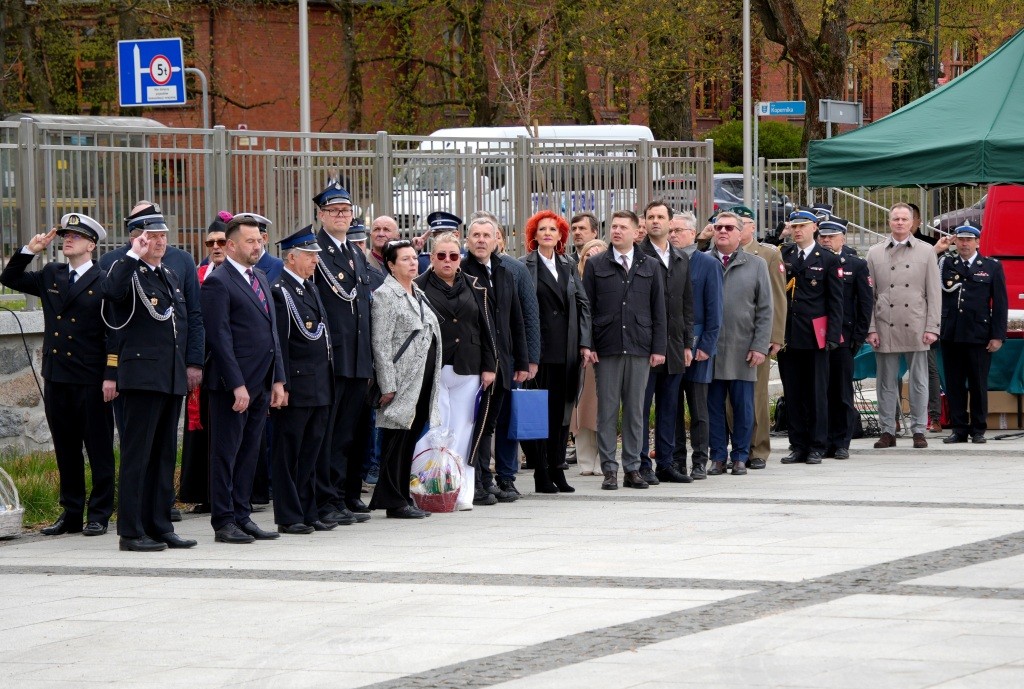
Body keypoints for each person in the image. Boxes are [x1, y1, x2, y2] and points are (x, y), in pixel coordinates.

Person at [1, 214, 114, 537]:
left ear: (91, 245)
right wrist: (29, 250)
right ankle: (72, 512)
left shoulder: (105, 281)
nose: (68, 240)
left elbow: (114, 333)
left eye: (76, 236)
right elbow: (9, 277)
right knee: (66, 448)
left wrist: (112, 374)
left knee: (99, 448)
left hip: (91, 378)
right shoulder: (52, 273)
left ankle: (100, 513)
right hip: (58, 375)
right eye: (65, 235)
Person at [100, 201, 205, 524]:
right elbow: (112, 292)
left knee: (163, 455)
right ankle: (132, 529)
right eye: (152, 236)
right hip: (142, 376)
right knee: (138, 456)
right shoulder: (126, 270)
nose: (159, 242)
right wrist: (134, 255)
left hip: (169, 376)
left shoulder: (169, 274)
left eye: (162, 236)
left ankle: (159, 524)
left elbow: (187, 320)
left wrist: (189, 364)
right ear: (137, 238)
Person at [200, 213, 287, 544]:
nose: (257, 246)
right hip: (232, 386)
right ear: (232, 245)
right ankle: (223, 520)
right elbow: (219, 338)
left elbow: (272, 332)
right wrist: (237, 384)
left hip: (261, 381)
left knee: (250, 452)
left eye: (259, 240)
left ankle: (242, 514)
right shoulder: (218, 282)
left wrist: (277, 379)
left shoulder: (260, 277)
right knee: (226, 454)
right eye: (250, 241)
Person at [582, 210, 667, 490]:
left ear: (635, 232)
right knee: (607, 410)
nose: (616, 231)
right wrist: (589, 344)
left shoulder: (650, 265)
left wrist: (658, 348)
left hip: (640, 346)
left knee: (635, 411)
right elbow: (587, 308)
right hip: (606, 347)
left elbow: (659, 309)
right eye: (614, 226)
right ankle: (609, 469)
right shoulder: (596, 264)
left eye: (622, 227)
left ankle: (632, 468)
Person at [414, 231, 497, 510]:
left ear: (460, 258)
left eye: (453, 255)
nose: (447, 260)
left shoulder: (475, 286)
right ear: (432, 257)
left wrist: (490, 366)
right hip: (434, 367)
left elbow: (487, 329)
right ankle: (431, 487)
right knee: (436, 429)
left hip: (469, 366)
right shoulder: (418, 286)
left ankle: (461, 492)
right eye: (441, 255)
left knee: (464, 431)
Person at [313, 182, 374, 525]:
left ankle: (340, 496)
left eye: (346, 210)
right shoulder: (315, 251)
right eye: (333, 210)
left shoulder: (355, 252)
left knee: (348, 434)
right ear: (321, 215)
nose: (340, 215)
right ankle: (325, 500)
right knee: (328, 434)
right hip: (332, 358)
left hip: (357, 357)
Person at [519, 211, 593, 493]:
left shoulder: (568, 264)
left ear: (561, 235)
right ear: (534, 235)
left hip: (567, 349)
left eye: (553, 229)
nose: (548, 233)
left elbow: (583, 305)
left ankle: (557, 469)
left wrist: (584, 343)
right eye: (542, 229)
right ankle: (541, 472)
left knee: (563, 414)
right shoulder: (524, 265)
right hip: (539, 352)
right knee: (539, 413)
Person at [268, 227, 335, 534]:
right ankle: (288, 515)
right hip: (297, 385)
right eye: (310, 255)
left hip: (319, 384)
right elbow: (279, 343)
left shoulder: (309, 288)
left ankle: (308, 511)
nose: (315, 261)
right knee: (288, 454)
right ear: (291, 258)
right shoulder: (280, 291)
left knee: (310, 453)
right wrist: (281, 383)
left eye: (316, 255)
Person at [370, 240, 443, 518]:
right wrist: (387, 385)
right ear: (391, 265)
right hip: (401, 380)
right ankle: (393, 500)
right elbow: (380, 343)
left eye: (414, 258)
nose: (413, 263)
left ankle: (401, 495)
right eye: (405, 259)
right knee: (395, 439)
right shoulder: (385, 295)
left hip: (422, 377)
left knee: (409, 437)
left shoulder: (417, 291)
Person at [460, 217, 530, 505]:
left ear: (496, 240)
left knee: (491, 424)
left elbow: (516, 320)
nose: (480, 240)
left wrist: (522, 361)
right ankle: (477, 483)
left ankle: (489, 480)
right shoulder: (463, 271)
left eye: (486, 235)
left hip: (503, 362)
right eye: (475, 235)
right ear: (467, 240)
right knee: (475, 425)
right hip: (477, 364)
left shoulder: (503, 271)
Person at [866, 202, 941, 449]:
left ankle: (919, 429)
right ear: (889, 222)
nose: (899, 223)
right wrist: (871, 328)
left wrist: (933, 327)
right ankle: (887, 430)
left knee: (919, 381)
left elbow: (934, 293)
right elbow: (869, 295)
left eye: (904, 219)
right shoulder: (874, 252)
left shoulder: (926, 251)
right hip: (885, 323)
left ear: (913, 223)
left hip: (916, 324)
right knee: (885, 382)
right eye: (895, 219)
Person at [706, 211, 772, 476]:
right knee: (713, 407)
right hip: (710, 349)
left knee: (744, 407)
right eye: (718, 227)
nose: (723, 231)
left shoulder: (756, 264)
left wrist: (759, 345)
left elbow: (765, 308)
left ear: (740, 232)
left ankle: (741, 456)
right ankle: (717, 456)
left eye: (729, 228)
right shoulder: (702, 261)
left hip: (743, 347)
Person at [777, 210, 843, 466]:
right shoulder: (784, 255)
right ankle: (798, 445)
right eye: (794, 226)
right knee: (793, 393)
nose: (797, 231)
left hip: (815, 336)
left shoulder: (827, 259)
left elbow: (835, 301)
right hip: (789, 336)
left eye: (802, 226)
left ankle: (817, 445)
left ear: (814, 227)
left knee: (816, 394)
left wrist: (833, 335)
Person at [638, 200, 694, 485]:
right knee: (640, 408)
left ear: (670, 222)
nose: (655, 221)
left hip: (673, 345)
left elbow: (686, 304)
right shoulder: (637, 255)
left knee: (669, 408)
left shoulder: (681, 257)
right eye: (651, 217)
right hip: (645, 345)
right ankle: (641, 464)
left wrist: (687, 344)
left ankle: (666, 463)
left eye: (660, 216)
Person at [179, 216, 230, 512]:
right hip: (202, 360)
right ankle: (202, 493)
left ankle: (228, 495)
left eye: (221, 241)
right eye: (210, 242)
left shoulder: (241, 274)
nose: (215, 247)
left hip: (229, 363)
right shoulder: (197, 273)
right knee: (201, 430)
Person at [939, 225, 1007, 444]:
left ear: (978, 242)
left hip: (979, 334)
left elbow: (1000, 304)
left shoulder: (991, 266)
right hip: (951, 333)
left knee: (978, 383)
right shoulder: (946, 263)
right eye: (960, 240)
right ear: (955, 242)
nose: (964, 244)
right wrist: (938, 249)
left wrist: (997, 335)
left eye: (969, 240)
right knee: (954, 384)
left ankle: (978, 428)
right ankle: (959, 428)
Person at [669, 211, 723, 480]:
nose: (673, 235)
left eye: (678, 230)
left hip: (699, 346)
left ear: (693, 233)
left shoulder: (708, 264)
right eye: (670, 231)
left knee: (699, 408)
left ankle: (700, 459)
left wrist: (707, 346)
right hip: (671, 345)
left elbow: (715, 310)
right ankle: (677, 459)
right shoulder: (664, 261)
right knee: (672, 407)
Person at [732, 206, 786, 470]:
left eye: (742, 223)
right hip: (729, 337)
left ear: (752, 227)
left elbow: (777, 298)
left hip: (757, 337)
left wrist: (775, 336)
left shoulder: (768, 254)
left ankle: (758, 449)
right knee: (728, 399)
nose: (736, 228)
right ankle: (736, 448)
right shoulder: (720, 253)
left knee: (756, 396)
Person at [817, 218, 873, 459]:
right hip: (816, 336)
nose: (826, 240)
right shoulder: (815, 262)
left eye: (831, 236)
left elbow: (865, 304)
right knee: (819, 392)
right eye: (823, 236)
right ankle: (821, 440)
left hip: (843, 337)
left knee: (841, 393)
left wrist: (857, 338)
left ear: (843, 238)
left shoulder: (856, 265)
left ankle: (841, 441)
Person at [570, 238, 608, 476]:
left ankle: (604, 458)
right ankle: (585, 460)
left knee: (602, 406)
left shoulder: (613, 282)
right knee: (581, 408)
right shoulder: (573, 283)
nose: (592, 260)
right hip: (578, 353)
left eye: (598, 256)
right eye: (587, 256)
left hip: (604, 352)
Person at [366, 215, 399, 289]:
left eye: (386, 230)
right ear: (371, 235)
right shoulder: (363, 264)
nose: (381, 234)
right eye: (376, 229)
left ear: (397, 236)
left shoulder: (405, 264)